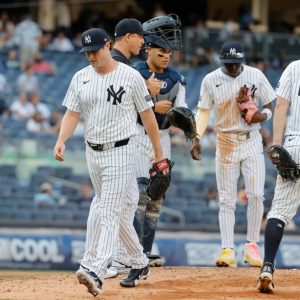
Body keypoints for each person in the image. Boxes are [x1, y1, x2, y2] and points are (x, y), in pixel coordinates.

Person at [53, 28, 170, 296]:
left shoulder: (130, 77)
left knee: (107, 209)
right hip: (91, 152)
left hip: (121, 150)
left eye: (95, 50)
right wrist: (61, 139)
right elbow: (72, 114)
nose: (91, 56)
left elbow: (149, 117)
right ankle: (139, 262)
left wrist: (158, 154)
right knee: (120, 206)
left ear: (107, 45)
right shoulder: (80, 77)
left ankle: (94, 269)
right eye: (87, 52)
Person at [109, 14, 187, 273]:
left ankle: (144, 252)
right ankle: (131, 255)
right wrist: (154, 104)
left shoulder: (177, 78)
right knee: (140, 196)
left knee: (156, 197)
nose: (167, 56)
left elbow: (183, 112)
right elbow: (128, 108)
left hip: (163, 138)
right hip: (139, 136)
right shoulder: (134, 72)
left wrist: (181, 118)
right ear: (149, 49)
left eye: (170, 53)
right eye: (162, 51)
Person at [190, 40, 276, 268]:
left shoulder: (255, 75)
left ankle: (251, 246)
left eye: (236, 63)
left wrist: (262, 117)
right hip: (225, 141)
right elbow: (204, 111)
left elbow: (271, 103)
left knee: (256, 195)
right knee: (226, 200)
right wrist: (197, 137)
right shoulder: (210, 80)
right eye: (229, 64)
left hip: (251, 139)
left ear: (242, 60)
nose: (233, 68)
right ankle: (227, 249)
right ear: (222, 61)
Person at [257, 60, 300, 293]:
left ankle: (267, 266)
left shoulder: (294, 67)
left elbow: (281, 107)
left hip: (295, 144)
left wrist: (276, 145)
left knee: (280, 212)